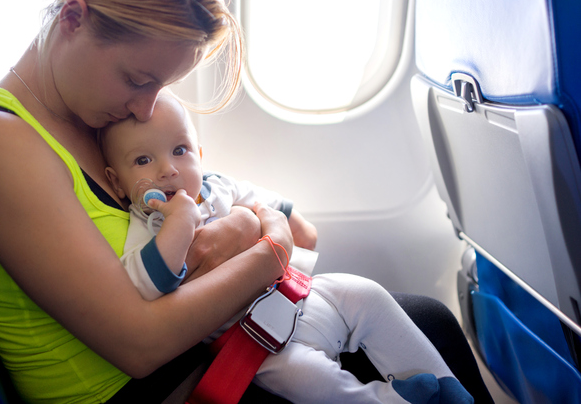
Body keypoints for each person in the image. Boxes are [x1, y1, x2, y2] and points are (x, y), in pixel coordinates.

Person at [0, 0, 493, 402]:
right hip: (160, 386)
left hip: (212, 351)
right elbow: (140, 345)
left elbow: (241, 209)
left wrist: (258, 223)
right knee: (427, 327)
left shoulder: (95, 115)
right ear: (73, 18)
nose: (146, 107)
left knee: (421, 315)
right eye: (137, 79)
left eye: (162, 87)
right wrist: (270, 249)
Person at [100, 91, 474, 403]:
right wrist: (180, 224)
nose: (168, 169)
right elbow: (145, 285)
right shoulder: (144, 227)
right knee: (307, 380)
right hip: (252, 340)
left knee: (365, 292)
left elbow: (276, 209)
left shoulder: (218, 186)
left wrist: (272, 219)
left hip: (298, 292)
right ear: (118, 184)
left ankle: (445, 385)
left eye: (180, 151)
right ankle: (392, 399)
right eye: (143, 160)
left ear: (200, 153)